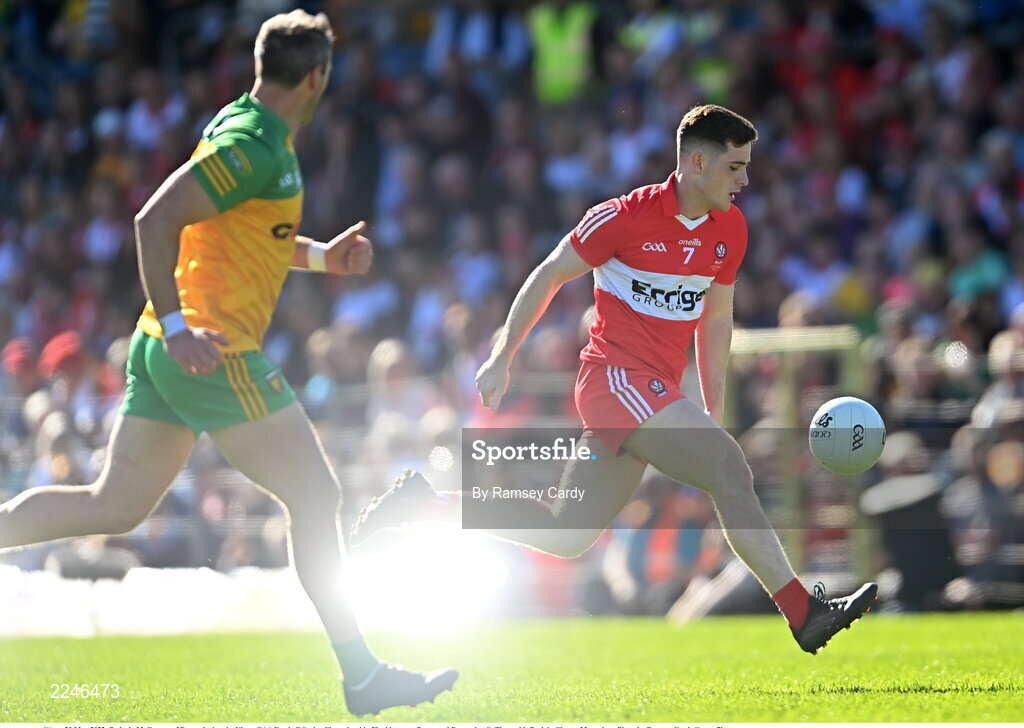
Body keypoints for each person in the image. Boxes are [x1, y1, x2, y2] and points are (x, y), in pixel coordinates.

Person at [0, 10, 457, 716]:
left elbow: (246, 232)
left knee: (112, 507)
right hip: (207, 350)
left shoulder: (241, 123)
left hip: (167, 347)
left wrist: (320, 256)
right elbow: (154, 219)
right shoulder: (255, 142)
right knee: (317, 497)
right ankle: (362, 675)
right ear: (317, 76)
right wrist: (183, 326)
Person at [352, 104, 877, 654]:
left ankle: (424, 505)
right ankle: (803, 613)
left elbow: (716, 319)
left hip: (658, 392)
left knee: (569, 530)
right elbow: (548, 273)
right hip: (613, 380)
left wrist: (712, 411)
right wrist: (502, 354)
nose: (746, 180)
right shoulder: (622, 217)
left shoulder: (731, 229)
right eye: (735, 167)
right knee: (729, 470)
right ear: (697, 162)